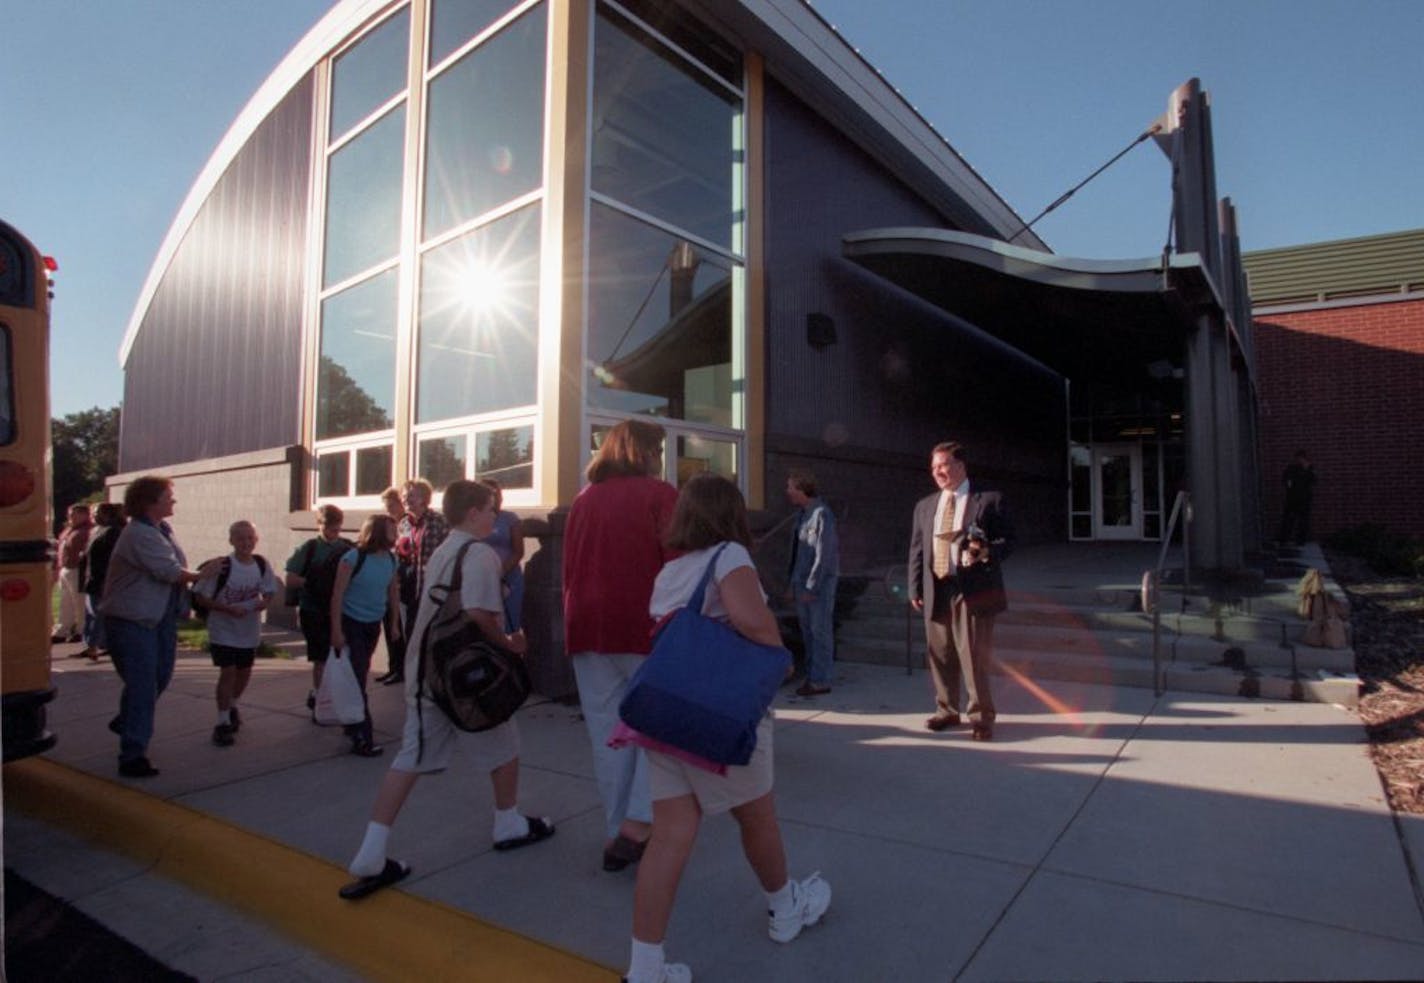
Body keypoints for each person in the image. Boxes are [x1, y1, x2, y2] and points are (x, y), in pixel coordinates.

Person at [625, 473, 831, 983]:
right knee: (757, 819)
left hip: (667, 717)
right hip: (720, 721)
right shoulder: (729, 558)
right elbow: (751, 621)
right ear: (730, 514)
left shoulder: (671, 572)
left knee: (669, 838)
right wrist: (781, 656)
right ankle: (786, 909)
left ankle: (645, 967)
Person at [340, 479, 553, 900]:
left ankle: (372, 849)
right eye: (490, 509)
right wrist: (511, 644)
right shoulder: (481, 555)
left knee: (411, 756)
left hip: (427, 673)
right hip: (466, 679)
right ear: (473, 513)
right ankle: (507, 820)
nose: (495, 516)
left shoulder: (445, 549)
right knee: (504, 744)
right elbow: (478, 613)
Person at [563, 419, 678, 873]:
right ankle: (639, 821)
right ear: (646, 451)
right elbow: (677, 562)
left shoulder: (584, 498)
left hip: (587, 629)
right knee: (660, 728)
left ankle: (616, 828)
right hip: (642, 626)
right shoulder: (659, 493)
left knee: (606, 734)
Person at [99, 476, 205, 778]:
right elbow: (169, 571)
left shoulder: (161, 530)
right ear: (150, 502)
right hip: (132, 621)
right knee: (144, 685)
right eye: (168, 495)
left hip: (158, 619)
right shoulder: (139, 534)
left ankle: (128, 718)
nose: (174, 500)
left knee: (160, 676)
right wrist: (203, 574)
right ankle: (133, 754)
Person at [907, 442, 1014, 742]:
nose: (938, 472)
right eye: (934, 468)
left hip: (973, 590)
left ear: (961, 466)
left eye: (943, 465)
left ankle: (981, 717)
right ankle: (947, 710)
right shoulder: (925, 505)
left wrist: (986, 551)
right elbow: (917, 549)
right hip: (936, 587)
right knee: (939, 654)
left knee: (973, 657)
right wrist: (915, 586)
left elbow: (1011, 539)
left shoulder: (989, 500)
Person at [192, 520, 278, 748]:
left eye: (250, 538)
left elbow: (269, 590)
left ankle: (232, 705)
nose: (246, 542)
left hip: (248, 630)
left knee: (244, 672)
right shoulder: (221, 566)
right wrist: (227, 609)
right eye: (241, 538)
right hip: (223, 630)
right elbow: (201, 597)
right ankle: (221, 722)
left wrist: (264, 603)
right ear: (231, 540)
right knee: (228, 671)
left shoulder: (260, 564)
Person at [329, 513, 402, 757]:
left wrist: (393, 624)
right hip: (352, 624)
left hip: (373, 624)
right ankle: (363, 736)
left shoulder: (392, 560)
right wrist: (337, 631)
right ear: (379, 531)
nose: (396, 533)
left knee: (358, 674)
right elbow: (337, 596)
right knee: (358, 678)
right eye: (392, 529)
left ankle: (352, 724)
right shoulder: (353, 558)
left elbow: (392, 592)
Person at [285, 505, 353, 719]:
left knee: (340, 655)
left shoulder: (347, 549)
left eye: (336, 528)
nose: (333, 533)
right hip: (313, 609)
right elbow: (290, 578)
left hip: (338, 610)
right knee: (320, 657)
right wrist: (311, 582)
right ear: (319, 525)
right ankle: (320, 698)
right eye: (328, 528)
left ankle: (331, 696)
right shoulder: (310, 548)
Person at [383, 478, 450, 686]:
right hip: (406, 586)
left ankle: (432, 676)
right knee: (408, 632)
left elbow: (448, 554)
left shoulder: (438, 521)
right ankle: (412, 675)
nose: (406, 499)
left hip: (430, 586)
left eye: (411, 495)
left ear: (424, 498)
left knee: (429, 633)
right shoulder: (403, 523)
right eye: (404, 496)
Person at [785, 469, 839, 697]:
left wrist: (811, 586)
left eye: (790, 487)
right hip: (800, 584)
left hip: (818, 587)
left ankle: (820, 680)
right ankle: (812, 675)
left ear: (801, 488)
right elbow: (797, 554)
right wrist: (792, 584)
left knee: (819, 632)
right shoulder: (802, 515)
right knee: (807, 633)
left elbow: (823, 555)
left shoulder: (821, 514)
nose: (787, 492)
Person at [79, 502, 125, 661]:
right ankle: (92, 644)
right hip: (92, 578)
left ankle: (95, 645)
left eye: (97, 513)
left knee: (99, 613)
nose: (94, 516)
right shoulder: (98, 531)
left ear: (107, 514)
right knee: (91, 614)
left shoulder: (113, 532)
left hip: (102, 579)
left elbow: (112, 559)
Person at [480, 478, 525, 632]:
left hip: (509, 577)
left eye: (498, 494)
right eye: (491, 494)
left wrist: (501, 572)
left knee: (509, 622)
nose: (496, 497)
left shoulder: (510, 518)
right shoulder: (475, 519)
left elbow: (518, 551)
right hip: (482, 577)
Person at [375, 486, 409, 684]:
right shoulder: (388, 524)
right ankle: (393, 667)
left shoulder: (406, 524)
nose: (388, 511)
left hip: (402, 582)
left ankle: (402, 668)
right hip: (388, 579)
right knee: (389, 625)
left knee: (399, 626)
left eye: (391, 506)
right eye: (386, 507)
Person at [53, 503, 93, 643]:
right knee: (65, 601)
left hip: (78, 569)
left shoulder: (88, 530)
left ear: (85, 515)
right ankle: (62, 629)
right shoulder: (69, 530)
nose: (71, 517)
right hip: (66, 568)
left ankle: (80, 630)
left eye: (75, 514)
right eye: (70, 514)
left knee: (79, 601)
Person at [1278, 449, 1316, 545]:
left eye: (1301, 458)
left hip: (1304, 498)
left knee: (1303, 520)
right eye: (1298, 458)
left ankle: (1300, 540)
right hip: (1292, 497)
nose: (1299, 460)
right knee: (1289, 519)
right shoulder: (1291, 469)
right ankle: (1284, 538)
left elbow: (1313, 481)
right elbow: (1286, 479)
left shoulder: (1309, 469)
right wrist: (1289, 485)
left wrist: (1307, 470)